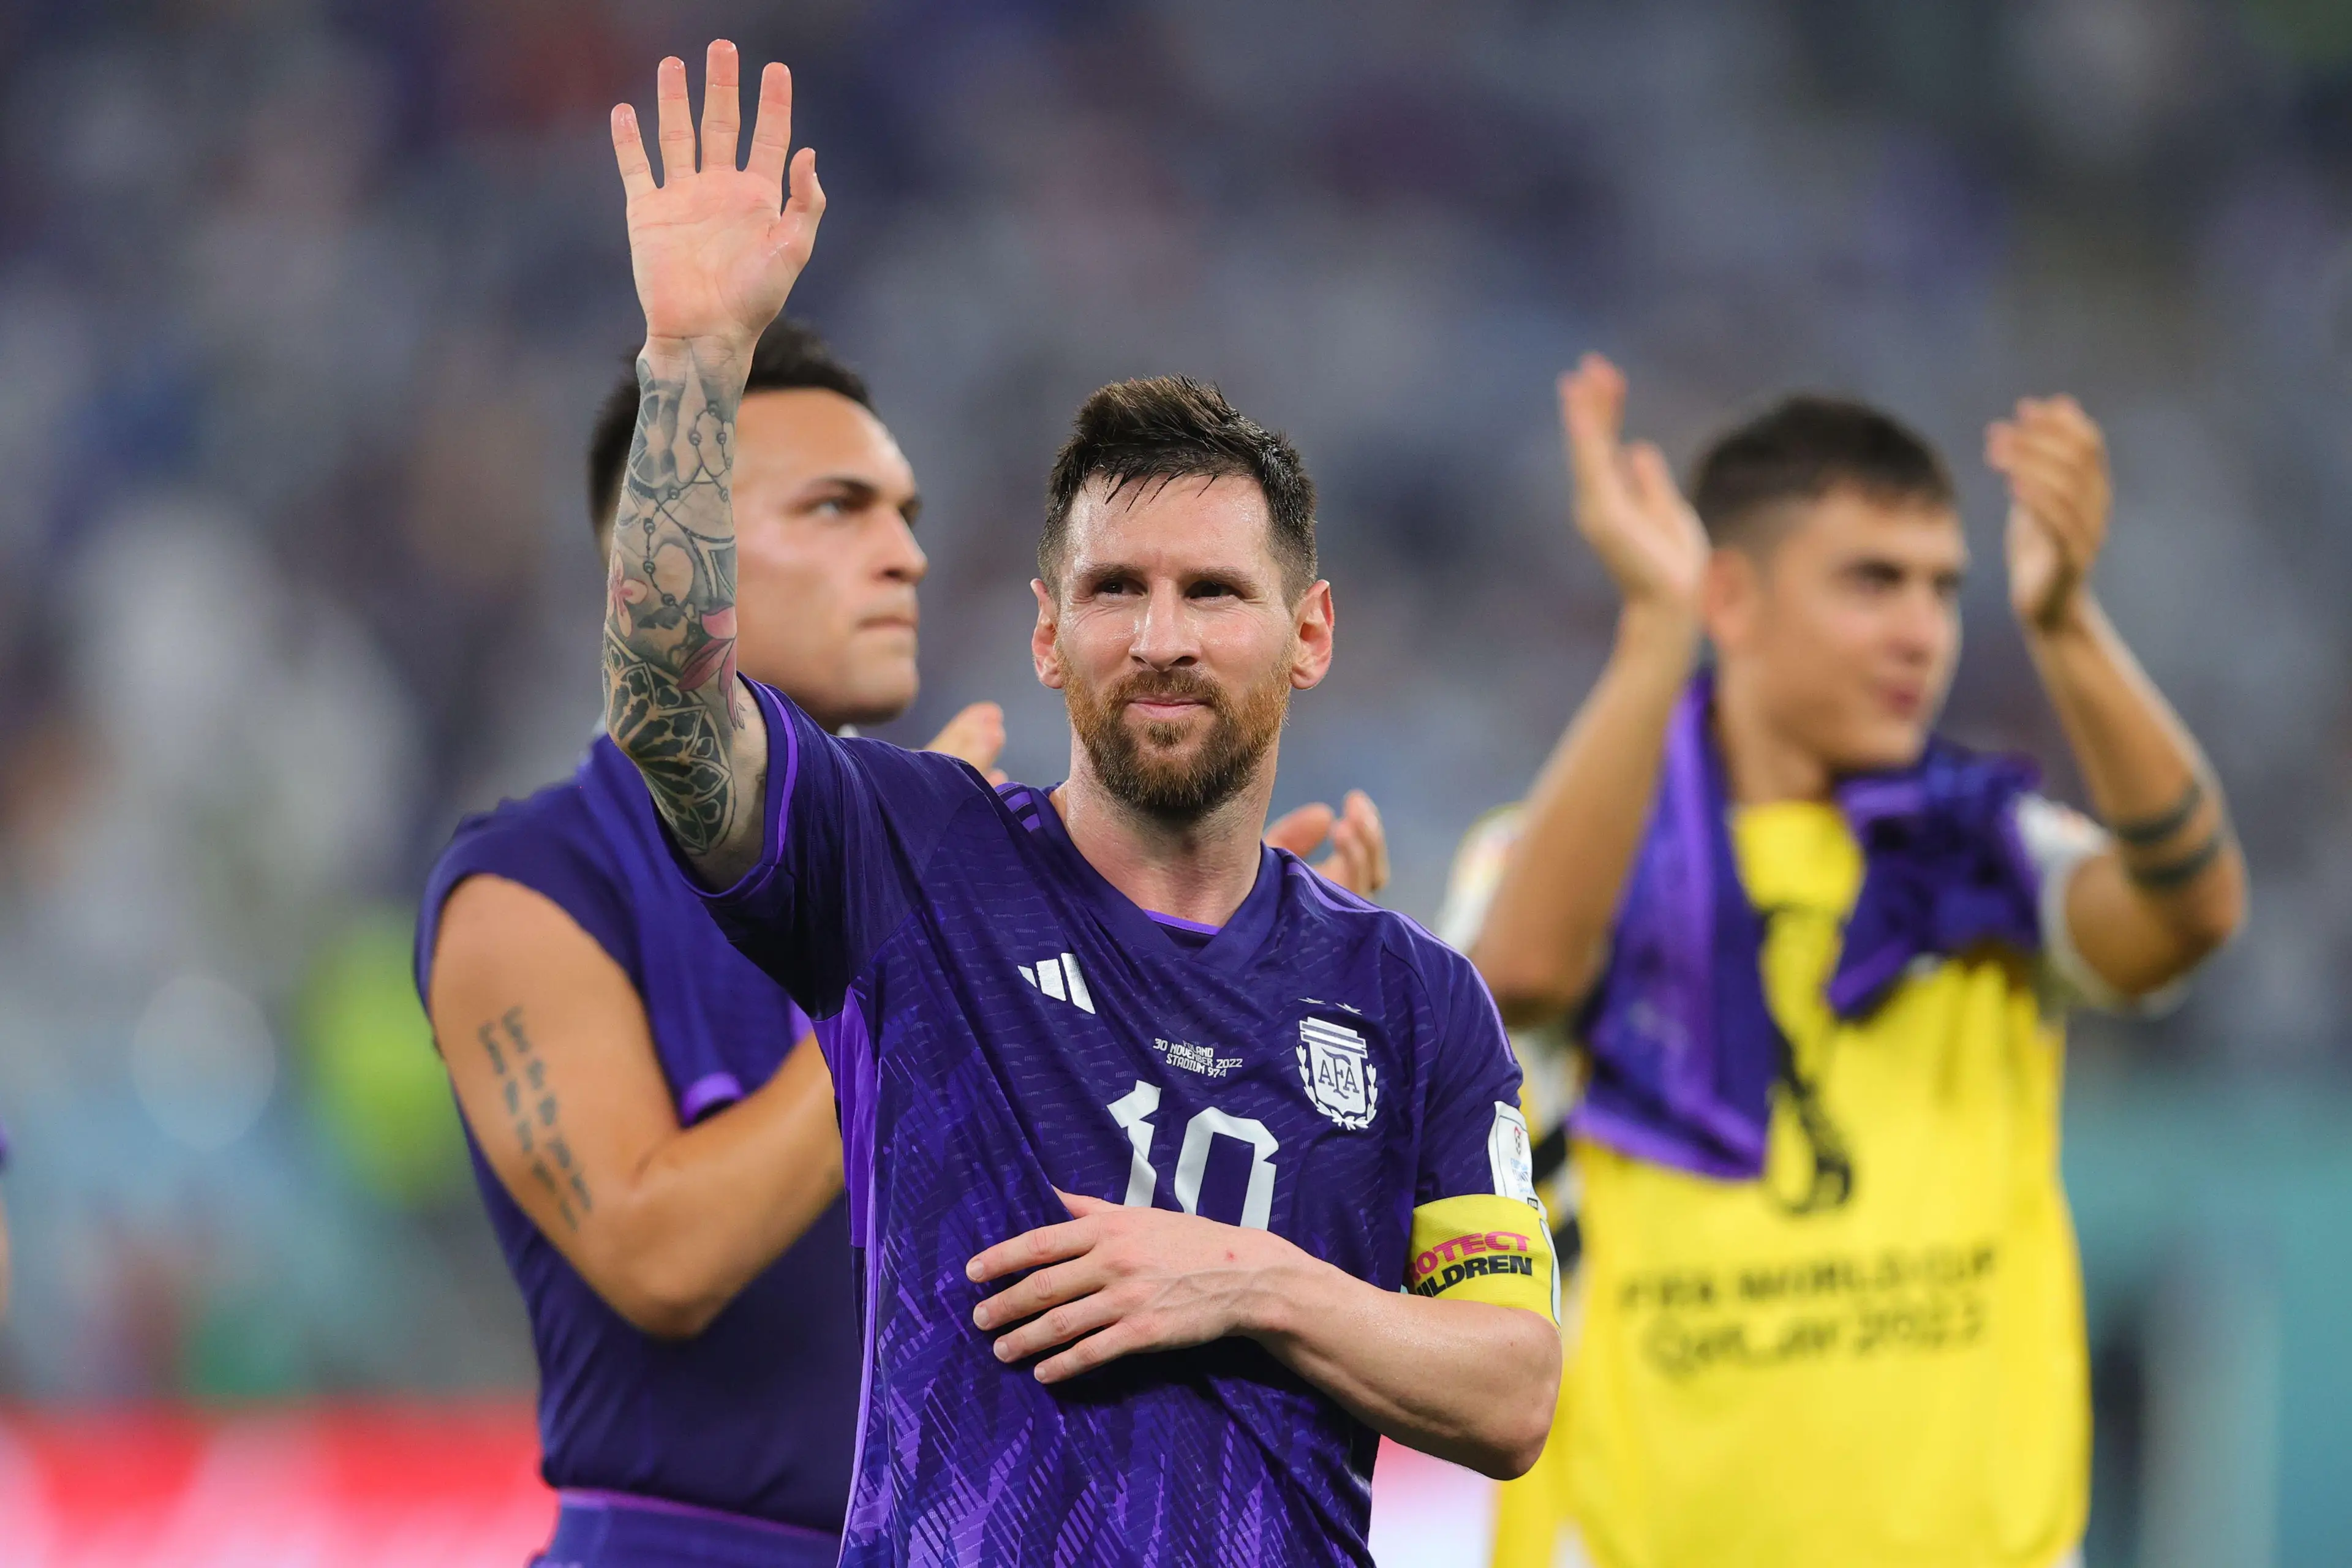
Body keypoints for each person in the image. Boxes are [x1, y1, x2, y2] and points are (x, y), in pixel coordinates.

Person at [595, 42, 1559, 1565]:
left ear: (1309, 632)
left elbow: (1512, 1389)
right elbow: (668, 710)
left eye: (1212, 592)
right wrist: (695, 363)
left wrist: (1246, 1279)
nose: (1161, 635)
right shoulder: (910, 862)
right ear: (1047, 634)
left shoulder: (1416, 999)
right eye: (1115, 589)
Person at [1466, 355, 2246, 1568]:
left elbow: (2186, 913)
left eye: (1943, 587)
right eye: (1872, 580)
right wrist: (1657, 633)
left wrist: (2066, 626)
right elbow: (1515, 981)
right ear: (1733, 598)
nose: (1922, 631)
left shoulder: (1987, 851)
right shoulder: (1566, 855)